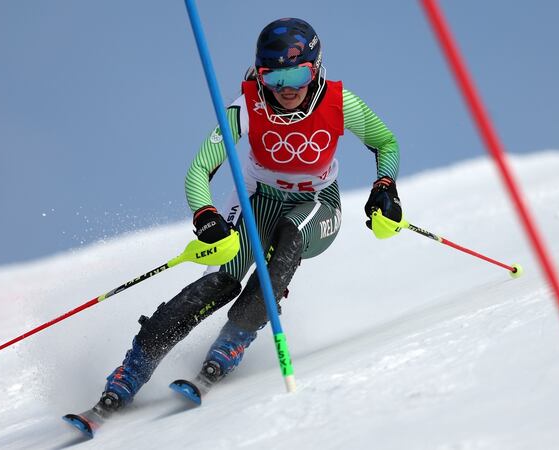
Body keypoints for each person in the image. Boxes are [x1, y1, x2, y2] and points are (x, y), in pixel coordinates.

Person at [94, 17, 404, 414]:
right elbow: (199, 169)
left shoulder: (340, 103)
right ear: (260, 75)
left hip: (317, 203)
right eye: (273, 77)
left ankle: (232, 341)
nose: (287, 88)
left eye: (298, 75)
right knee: (218, 282)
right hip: (257, 200)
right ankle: (132, 370)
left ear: (316, 68)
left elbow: (385, 142)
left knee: (290, 235)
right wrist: (206, 216)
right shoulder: (245, 107)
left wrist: (385, 186)